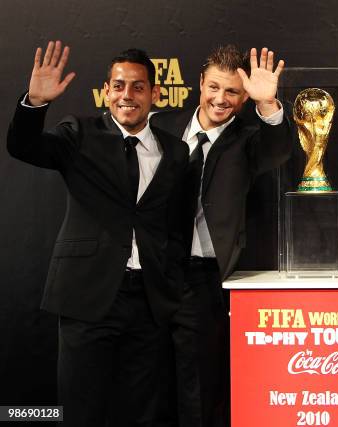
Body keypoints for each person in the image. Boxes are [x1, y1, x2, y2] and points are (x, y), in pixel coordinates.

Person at [7, 41, 189, 427]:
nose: (128, 95)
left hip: (149, 300)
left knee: (143, 410)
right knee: (81, 409)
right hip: (87, 297)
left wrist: (169, 284)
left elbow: (174, 222)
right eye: (119, 86)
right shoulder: (79, 134)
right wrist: (34, 104)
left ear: (155, 94)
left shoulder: (175, 151)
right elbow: (22, 147)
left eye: (138, 87)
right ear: (106, 91)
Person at [150, 45, 292, 427]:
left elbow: (278, 151)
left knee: (198, 387)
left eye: (232, 92)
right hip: (146, 274)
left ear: (244, 95)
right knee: (145, 381)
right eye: (214, 87)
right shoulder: (160, 125)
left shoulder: (248, 140)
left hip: (201, 280)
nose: (220, 99)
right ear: (199, 83)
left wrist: (268, 106)